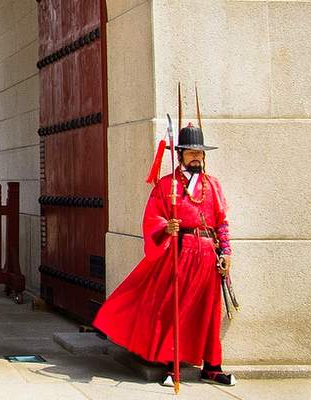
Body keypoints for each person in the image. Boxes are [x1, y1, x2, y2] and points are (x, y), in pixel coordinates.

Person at [93, 124, 235, 387]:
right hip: (180, 254)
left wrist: (226, 252)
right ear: (179, 155)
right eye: (190, 152)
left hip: (207, 254)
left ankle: (212, 366)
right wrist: (166, 227)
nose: (195, 157)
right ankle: (172, 365)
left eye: (199, 153)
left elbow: (222, 223)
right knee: (176, 310)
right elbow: (152, 219)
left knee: (209, 310)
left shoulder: (212, 185)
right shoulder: (166, 185)